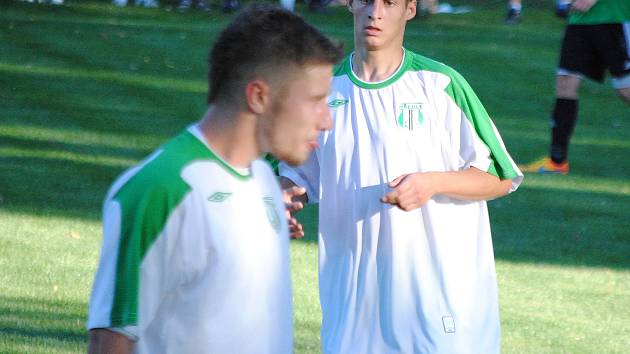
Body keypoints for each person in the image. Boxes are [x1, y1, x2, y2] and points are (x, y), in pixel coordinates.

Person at [86, 4, 342, 354]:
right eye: (315, 101)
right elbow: (110, 341)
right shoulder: (163, 189)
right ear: (259, 96)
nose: (327, 120)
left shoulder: (264, 181)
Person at [279, 0, 523, 352]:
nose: (375, 12)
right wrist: (283, 200)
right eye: (365, 0)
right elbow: (295, 174)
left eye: (390, 2)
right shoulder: (319, 90)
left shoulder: (439, 84)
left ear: (410, 8)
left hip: (439, 305)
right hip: (353, 305)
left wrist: (431, 183)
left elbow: (501, 176)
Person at [521, 0, 630, 174]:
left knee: (625, 90)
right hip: (579, 19)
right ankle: (557, 162)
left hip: (617, 16)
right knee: (565, 81)